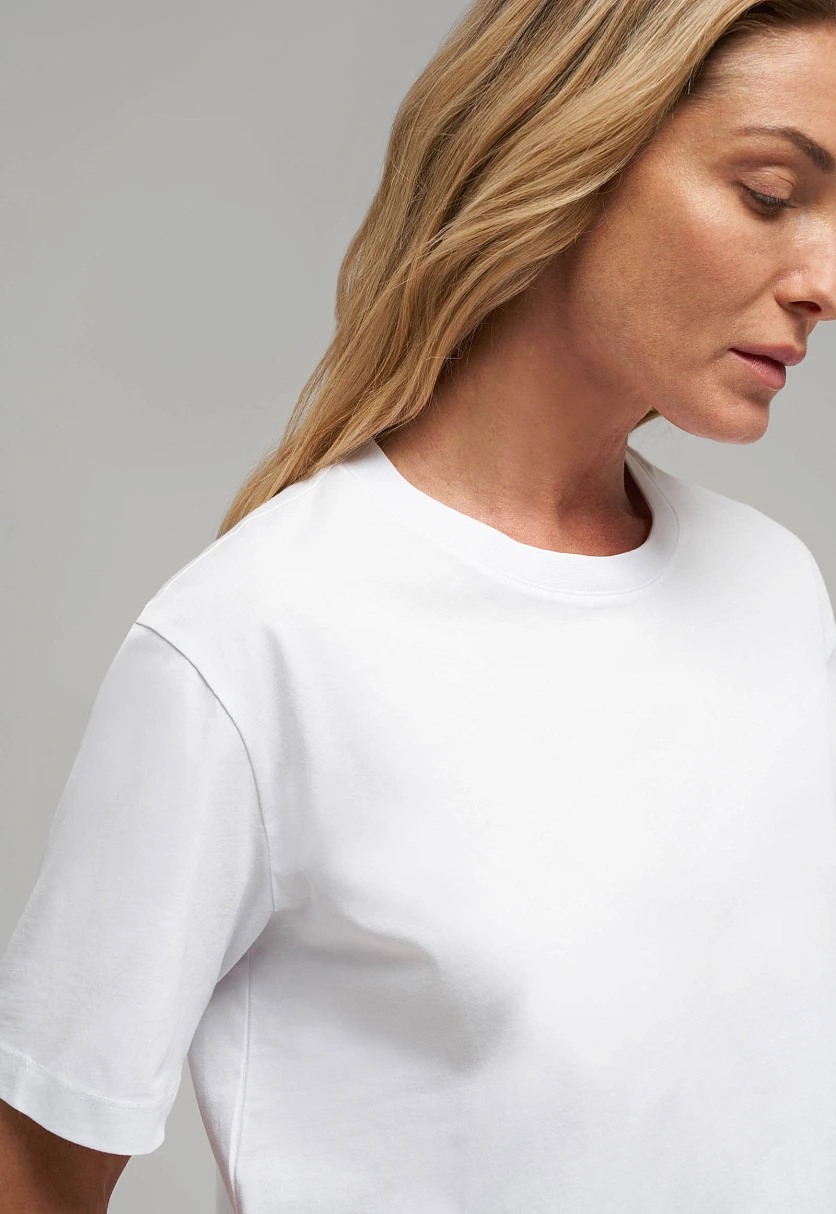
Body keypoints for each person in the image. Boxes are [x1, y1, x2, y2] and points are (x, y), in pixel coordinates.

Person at [2, 0, 836, 1209]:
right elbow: (34, 1174)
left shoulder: (774, 589)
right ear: (570, 149)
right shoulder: (255, 639)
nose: (822, 282)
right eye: (768, 194)